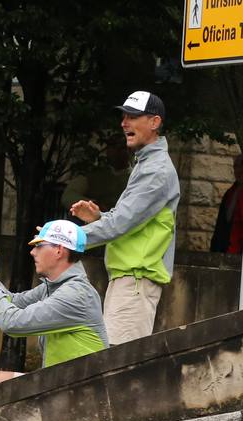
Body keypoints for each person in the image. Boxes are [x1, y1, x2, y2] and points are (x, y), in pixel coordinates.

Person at [68, 90, 180, 345]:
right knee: (116, 368)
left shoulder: (156, 170)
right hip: (130, 281)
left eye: (133, 116)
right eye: (124, 116)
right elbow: (131, 220)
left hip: (136, 281)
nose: (124, 122)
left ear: (155, 122)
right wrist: (100, 217)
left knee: (119, 372)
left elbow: (121, 223)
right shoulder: (146, 164)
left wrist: (65, 239)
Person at [0, 220, 107, 389]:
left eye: (39, 246)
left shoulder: (76, 294)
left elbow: (13, 323)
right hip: (62, 380)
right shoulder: (54, 287)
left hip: (82, 388)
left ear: (59, 250)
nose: (33, 252)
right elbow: (12, 302)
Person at [210, 154, 243, 254]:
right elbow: (221, 224)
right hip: (227, 247)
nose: (237, 170)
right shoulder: (231, 193)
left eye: (239, 166)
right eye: (235, 166)